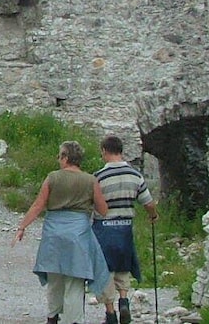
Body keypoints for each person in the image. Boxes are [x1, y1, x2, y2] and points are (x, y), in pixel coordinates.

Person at [13, 141, 111, 324]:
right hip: (78, 234)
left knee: (54, 278)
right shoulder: (90, 180)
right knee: (75, 280)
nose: (58, 159)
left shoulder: (53, 178)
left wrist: (22, 226)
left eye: (60, 156)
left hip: (54, 234)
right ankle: (73, 320)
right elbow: (103, 210)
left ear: (66, 157)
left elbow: (38, 205)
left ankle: (52, 316)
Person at [92, 136, 159, 324]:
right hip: (125, 228)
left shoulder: (98, 177)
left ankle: (110, 312)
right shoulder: (135, 175)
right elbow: (148, 202)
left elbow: (94, 204)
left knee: (105, 270)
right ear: (121, 151)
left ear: (105, 151)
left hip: (104, 229)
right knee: (123, 266)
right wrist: (153, 215)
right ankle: (124, 300)